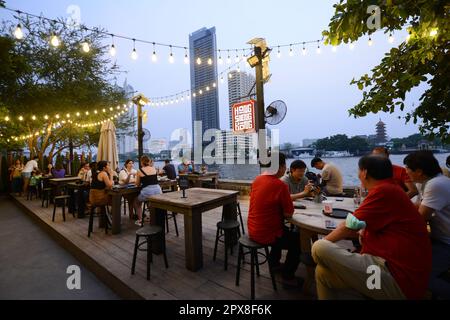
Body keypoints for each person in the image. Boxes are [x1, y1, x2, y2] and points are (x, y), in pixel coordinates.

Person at [312, 155, 432, 300]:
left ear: (364, 173)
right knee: (322, 273)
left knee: (319, 247)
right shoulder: (392, 189)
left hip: (395, 278)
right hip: (384, 266)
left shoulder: (384, 191)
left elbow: (349, 226)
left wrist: (322, 247)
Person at [404, 151, 450, 299]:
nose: (406, 173)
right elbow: (417, 206)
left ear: (419, 171)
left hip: (446, 243)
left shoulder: (436, 184)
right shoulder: (432, 182)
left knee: (418, 276)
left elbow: (419, 218)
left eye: (408, 170)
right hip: (440, 239)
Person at [248, 152, 301, 282]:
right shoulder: (280, 185)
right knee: (298, 242)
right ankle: (288, 277)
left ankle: (275, 264)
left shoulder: (257, 179)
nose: (285, 169)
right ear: (281, 166)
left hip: (252, 229)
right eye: (285, 166)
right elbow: (288, 214)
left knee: (282, 229)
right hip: (266, 233)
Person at [134, 156, 162, 226]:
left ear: (141, 162)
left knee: (137, 202)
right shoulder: (154, 169)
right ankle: (152, 218)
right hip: (158, 191)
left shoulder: (139, 170)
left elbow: (137, 184)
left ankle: (140, 220)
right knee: (150, 201)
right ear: (149, 161)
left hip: (148, 191)